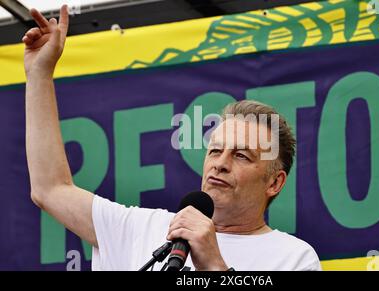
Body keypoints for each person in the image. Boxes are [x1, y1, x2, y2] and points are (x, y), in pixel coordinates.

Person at [23, 5, 321, 271]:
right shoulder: (143, 228)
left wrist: (213, 264)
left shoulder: (294, 258)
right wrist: (39, 74)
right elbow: (50, 188)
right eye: (215, 151)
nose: (220, 164)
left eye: (241, 155)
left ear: (274, 182)